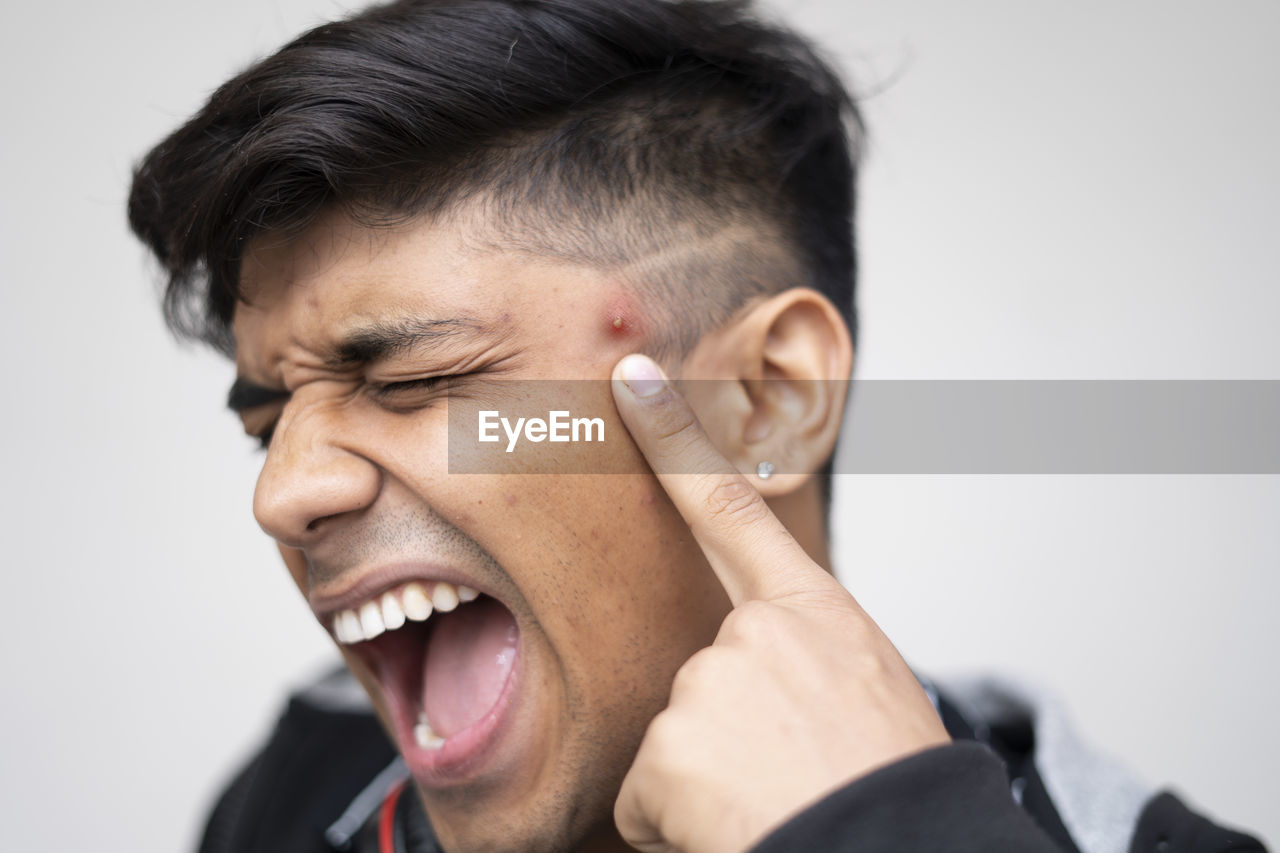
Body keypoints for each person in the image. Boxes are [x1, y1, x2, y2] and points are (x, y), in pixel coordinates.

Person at [127, 1, 1267, 851]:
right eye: (266, 421)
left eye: (411, 380)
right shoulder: (292, 788)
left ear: (761, 397)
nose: (282, 491)